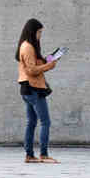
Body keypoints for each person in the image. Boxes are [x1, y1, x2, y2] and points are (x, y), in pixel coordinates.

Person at [16, 17, 58, 164]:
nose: (40, 35)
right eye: (39, 32)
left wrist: (48, 60)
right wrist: (49, 66)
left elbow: (34, 64)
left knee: (32, 122)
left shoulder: (28, 46)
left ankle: (29, 155)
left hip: (28, 88)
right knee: (45, 122)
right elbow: (32, 70)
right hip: (33, 88)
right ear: (32, 31)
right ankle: (44, 155)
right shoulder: (28, 47)